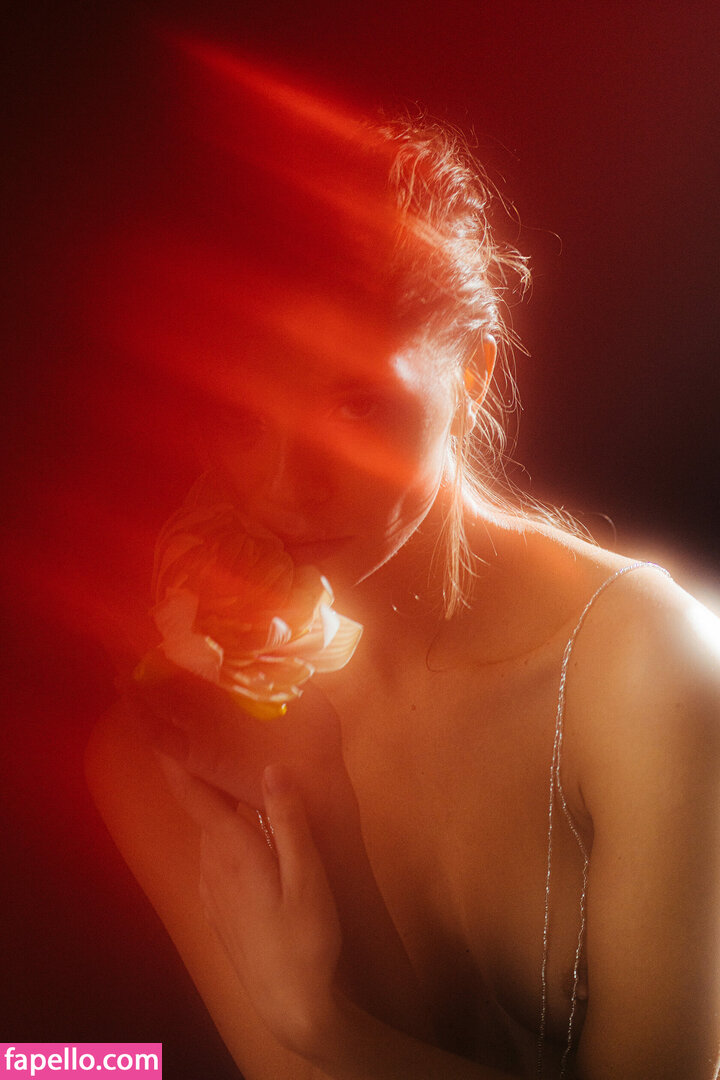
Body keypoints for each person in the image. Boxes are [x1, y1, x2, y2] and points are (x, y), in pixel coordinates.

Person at [86, 45, 720, 1080]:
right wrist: (317, 805)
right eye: (236, 413)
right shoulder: (163, 745)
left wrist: (327, 1029)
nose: (285, 483)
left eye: (355, 405)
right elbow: (60, 1061)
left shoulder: (650, 667)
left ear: (471, 377)